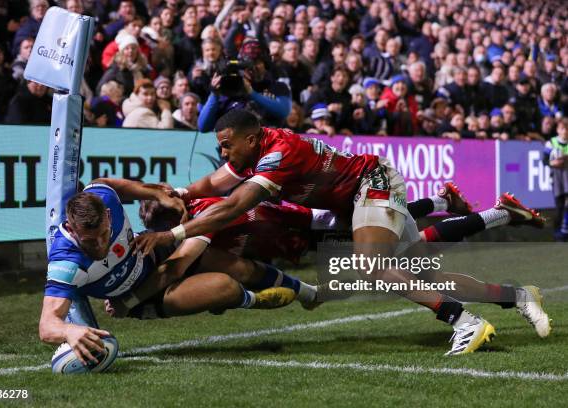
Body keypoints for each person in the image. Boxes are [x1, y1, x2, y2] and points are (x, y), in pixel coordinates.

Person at [132, 109, 550, 356]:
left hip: (370, 184)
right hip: (349, 203)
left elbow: (234, 204)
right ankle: (516, 291)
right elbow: (215, 183)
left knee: (372, 266)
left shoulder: (278, 153)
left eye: (227, 145)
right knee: (416, 271)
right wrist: (180, 191)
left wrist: (171, 236)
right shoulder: (251, 153)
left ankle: (461, 319)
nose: (224, 153)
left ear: (251, 137)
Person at [39, 178, 310, 364]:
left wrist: (154, 192)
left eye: (104, 235)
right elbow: (47, 325)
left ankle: (308, 293)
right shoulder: (65, 261)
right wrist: (69, 332)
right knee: (223, 287)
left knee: (240, 267)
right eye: (89, 241)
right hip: (137, 296)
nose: (100, 245)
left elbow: (109, 184)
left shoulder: (106, 199)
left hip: (154, 254)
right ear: (73, 230)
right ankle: (249, 300)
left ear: (109, 216)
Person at [198, 38, 291, 132]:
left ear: (266, 64)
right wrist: (214, 94)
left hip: (267, 143)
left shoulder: (278, 87)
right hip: (234, 144)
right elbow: (203, 127)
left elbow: (283, 111)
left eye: (256, 62)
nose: (251, 67)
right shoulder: (229, 88)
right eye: (247, 62)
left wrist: (252, 93)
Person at [544, 118, 568, 241]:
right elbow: (544, 160)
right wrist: (553, 163)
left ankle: (565, 230)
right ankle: (557, 232)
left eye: (567, 129)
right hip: (558, 179)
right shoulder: (551, 143)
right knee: (559, 206)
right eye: (563, 128)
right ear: (558, 130)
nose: (565, 131)